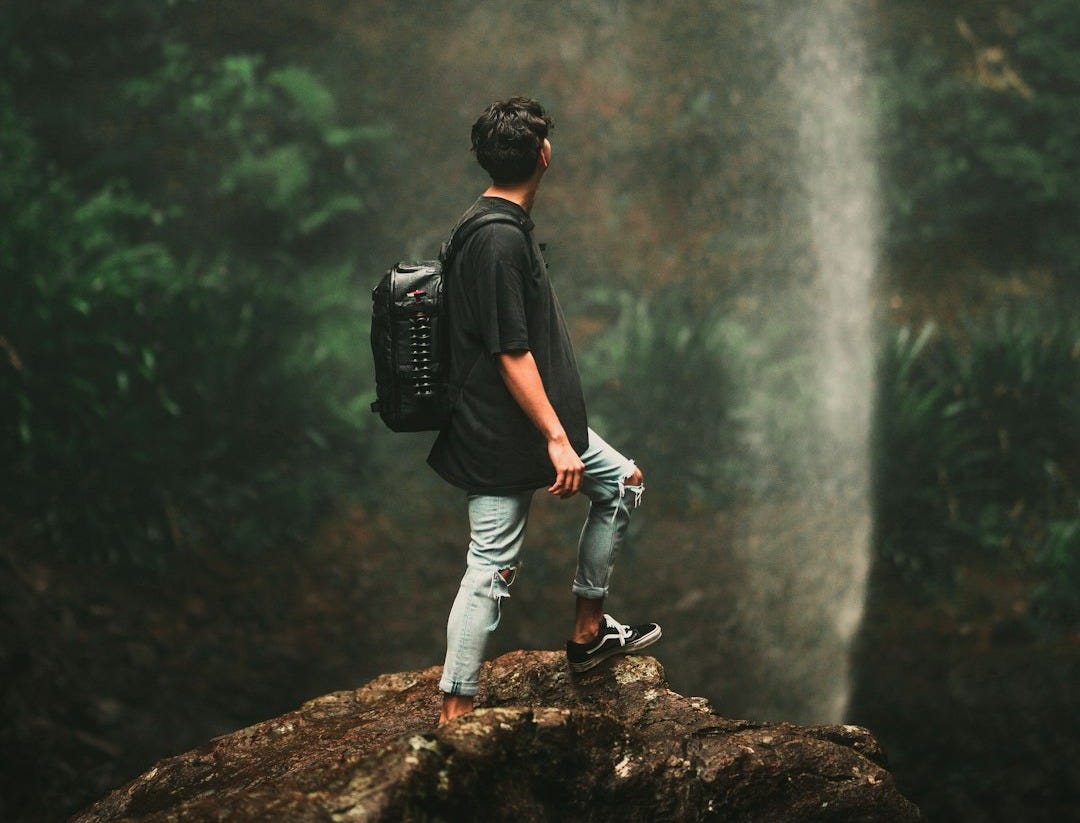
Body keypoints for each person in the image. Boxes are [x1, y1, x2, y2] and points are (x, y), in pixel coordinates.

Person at [428, 97, 661, 725]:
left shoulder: (487, 221)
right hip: (509, 432)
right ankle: (456, 711)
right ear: (544, 156)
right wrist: (558, 439)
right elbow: (510, 353)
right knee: (490, 568)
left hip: (533, 423)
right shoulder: (499, 238)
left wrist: (561, 432)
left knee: (623, 483)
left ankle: (589, 635)